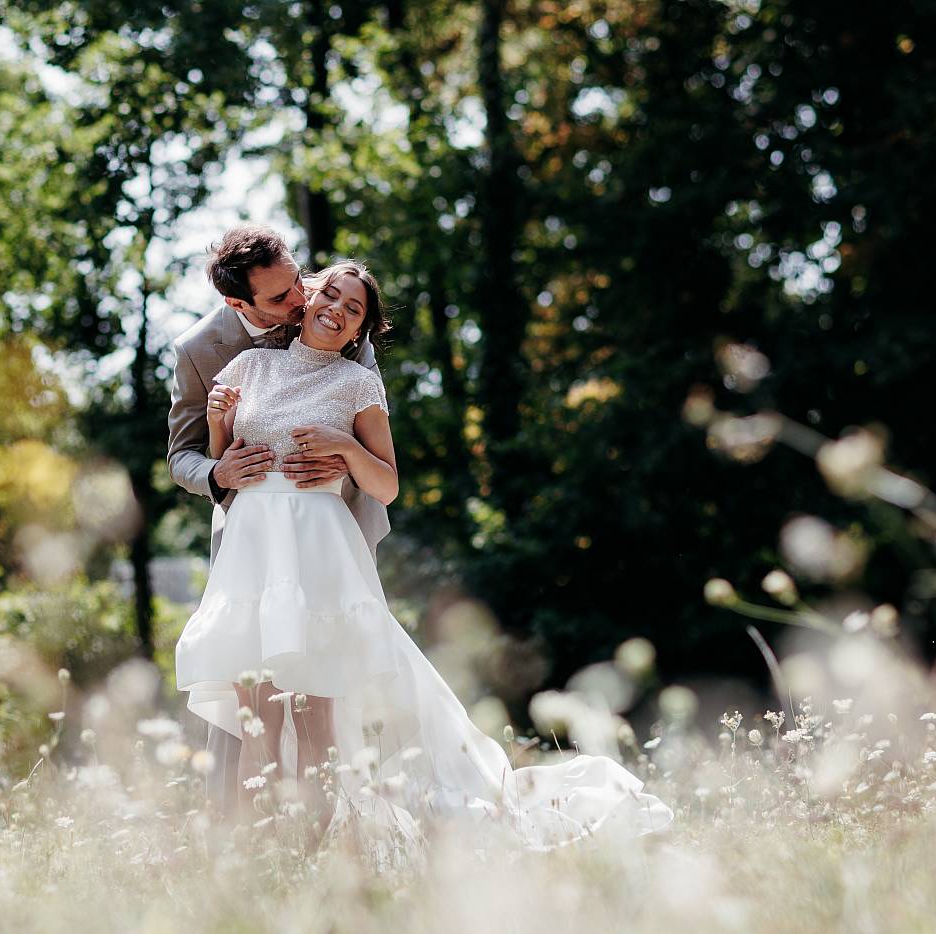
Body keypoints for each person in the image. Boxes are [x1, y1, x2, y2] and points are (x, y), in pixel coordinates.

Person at [173, 259, 675, 851]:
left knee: (312, 716)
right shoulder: (247, 364)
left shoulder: (357, 382)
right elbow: (223, 460)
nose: (335, 308)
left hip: (319, 550)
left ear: (360, 328)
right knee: (259, 712)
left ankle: (311, 848)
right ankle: (263, 853)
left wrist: (343, 447)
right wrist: (215, 428)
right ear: (308, 298)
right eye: (329, 294)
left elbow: (386, 484)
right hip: (256, 551)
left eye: (352, 307)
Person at [165, 225, 389, 822]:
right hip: (253, 545)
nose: (300, 303)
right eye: (279, 298)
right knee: (248, 720)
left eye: (298, 283)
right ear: (239, 305)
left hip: (327, 538)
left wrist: (341, 461)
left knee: (324, 704)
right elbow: (182, 456)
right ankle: (245, 845)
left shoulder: (327, 308)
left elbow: (366, 432)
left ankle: (335, 827)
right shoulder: (201, 351)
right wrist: (220, 470)